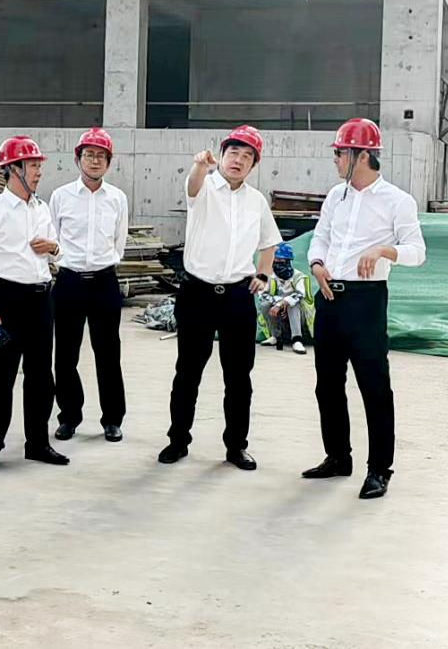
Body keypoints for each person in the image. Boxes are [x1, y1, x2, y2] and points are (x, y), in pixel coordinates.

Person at [303, 118, 426, 500]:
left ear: (360, 155)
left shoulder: (397, 201)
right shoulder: (335, 196)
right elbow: (320, 238)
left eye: (339, 153)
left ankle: (379, 469)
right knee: (327, 385)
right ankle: (338, 456)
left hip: (366, 302)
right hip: (329, 298)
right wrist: (317, 264)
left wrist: (383, 250)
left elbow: (418, 252)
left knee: (374, 387)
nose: (335, 159)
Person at [159, 125, 281, 468]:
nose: (238, 161)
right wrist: (200, 165)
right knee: (188, 372)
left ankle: (236, 446)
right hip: (197, 293)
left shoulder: (256, 201)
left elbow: (269, 242)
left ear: (253, 164)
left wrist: (263, 273)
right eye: (233, 153)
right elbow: (192, 185)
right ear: (222, 155)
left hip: (237, 297)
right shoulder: (204, 188)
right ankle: (178, 441)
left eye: (247, 156)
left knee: (239, 377)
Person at [0, 135, 68, 472]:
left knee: (41, 376)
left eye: (39, 165)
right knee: (0, 377)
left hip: (41, 298)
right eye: (33, 165)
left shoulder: (41, 208)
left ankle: (37, 443)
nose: (39, 172)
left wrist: (53, 248)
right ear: (13, 169)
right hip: (7, 301)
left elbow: (60, 252)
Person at [49, 127, 129, 443]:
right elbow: (53, 239)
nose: (95, 161)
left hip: (104, 282)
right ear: (78, 159)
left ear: (108, 162)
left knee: (108, 354)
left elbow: (119, 242)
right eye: (89, 155)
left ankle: (112, 419)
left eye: (101, 156)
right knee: (65, 355)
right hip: (69, 282)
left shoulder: (117, 198)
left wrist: (103, 263)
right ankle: (69, 416)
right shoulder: (61, 197)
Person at [255, 242, 314, 354]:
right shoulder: (270, 277)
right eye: (275, 260)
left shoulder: (299, 277)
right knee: (265, 304)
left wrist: (284, 303)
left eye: (280, 261)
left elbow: (300, 294)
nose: (277, 263)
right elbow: (262, 294)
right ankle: (275, 336)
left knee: (293, 304)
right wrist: (279, 304)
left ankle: (297, 339)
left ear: (288, 261)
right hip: (279, 316)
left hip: (300, 318)